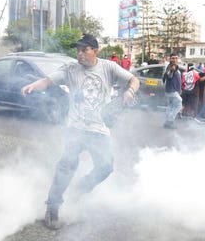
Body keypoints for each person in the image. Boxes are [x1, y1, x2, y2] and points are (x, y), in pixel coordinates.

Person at [20, 34, 140, 230]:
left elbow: (134, 79)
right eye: (78, 49)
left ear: (95, 50)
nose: (80, 53)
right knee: (66, 166)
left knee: (106, 167)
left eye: (85, 49)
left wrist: (129, 92)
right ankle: (52, 207)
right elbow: (48, 80)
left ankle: (80, 189)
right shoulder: (70, 68)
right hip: (75, 128)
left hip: (99, 130)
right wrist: (34, 85)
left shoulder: (108, 67)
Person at [162, 53, 182, 129]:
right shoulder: (171, 67)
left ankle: (167, 122)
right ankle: (170, 121)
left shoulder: (172, 67)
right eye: (173, 58)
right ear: (170, 59)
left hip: (170, 90)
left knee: (171, 105)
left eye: (176, 58)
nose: (175, 60)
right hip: (172, 91)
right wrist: (171, 71)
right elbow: (168, 75)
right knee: (178, 105)